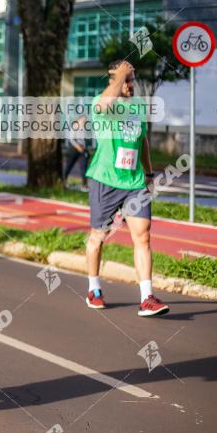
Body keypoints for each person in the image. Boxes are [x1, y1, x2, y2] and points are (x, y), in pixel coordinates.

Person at [84, 60, 168, 317]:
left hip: (134, 182)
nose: (131, 84)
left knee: (143, 236)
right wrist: (120, 74)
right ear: (114, 80)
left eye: (132, 79)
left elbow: (142, 140)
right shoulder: (102, 102)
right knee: (98, 237)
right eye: (126, 80)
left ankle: (147, 298)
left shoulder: (137, 107)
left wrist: (149, 172)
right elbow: (105, 103)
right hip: (105, 180)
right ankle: (94, 289)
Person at [62, 115, 90, 188]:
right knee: (68, 166)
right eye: (83, 120)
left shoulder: (85, 129)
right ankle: (63, 181)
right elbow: (71, 139)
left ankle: (84, 184)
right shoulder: (75, 127)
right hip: (74, 149)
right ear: (79, 119)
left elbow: (85, 141)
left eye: (85, 120)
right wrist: (77, 146)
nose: (84, 121)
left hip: (83, 150)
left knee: (84, 167)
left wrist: (85, 149)